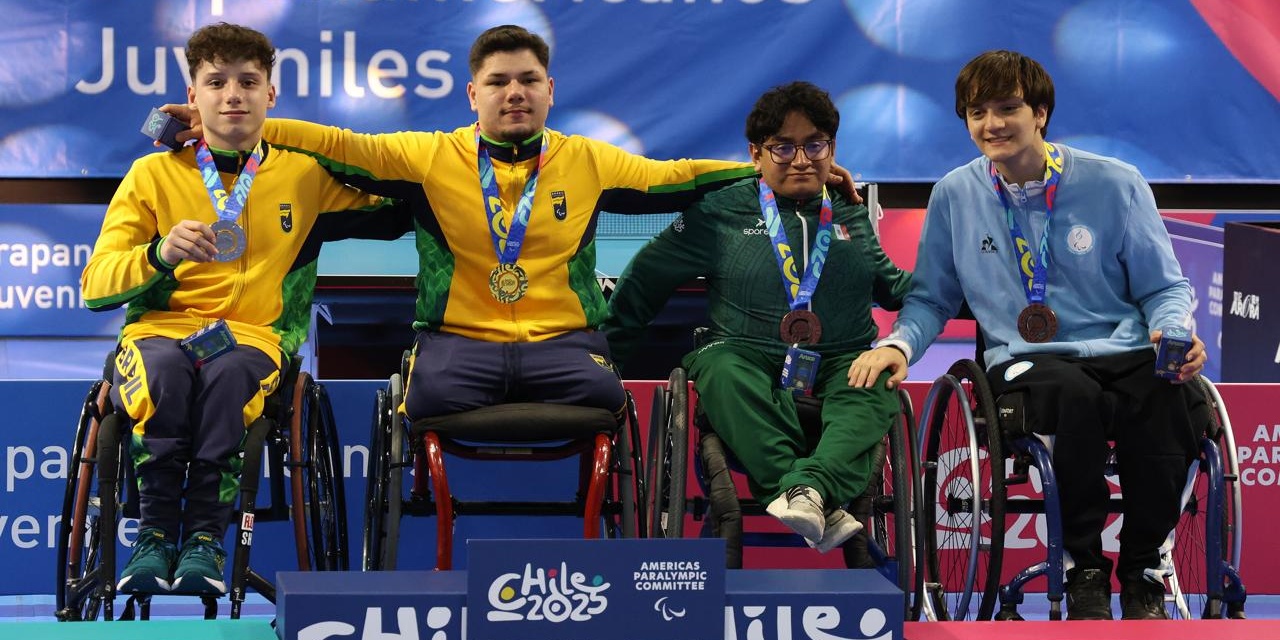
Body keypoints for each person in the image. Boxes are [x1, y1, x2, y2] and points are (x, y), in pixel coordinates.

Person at [165, 24, 855, 425]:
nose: (515, 92)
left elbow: (676, 176)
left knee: (607, 396)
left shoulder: (588, 159)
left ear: (550, 90)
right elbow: (342, 145)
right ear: (473, 94)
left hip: (564, 345)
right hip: (457, 347)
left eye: (528, 80)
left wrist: (783, 169)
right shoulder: (429, 157)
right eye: (498, 82)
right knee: (425, 398)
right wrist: (244, 124)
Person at [848, 50, 1207, 620]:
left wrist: (1173, 332)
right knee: (1071, 394)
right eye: (977, 112)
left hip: (1124, 348)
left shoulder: (1116, 183)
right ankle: (1083, 566)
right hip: (1025, 359)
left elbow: (1164, 287)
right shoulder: (954, 194)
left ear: (1040, 113)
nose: (992, 124)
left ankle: (1144, 568)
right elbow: (931, 298)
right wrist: (899, 345)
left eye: (1007, 108)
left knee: (1172, 394)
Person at [81, 23, 409, 596]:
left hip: (254, 337)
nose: (233, 95)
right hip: (159, 333)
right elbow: (94, 287)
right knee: (164, 373)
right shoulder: (151, 174)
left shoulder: (305, 174)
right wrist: (158, 254)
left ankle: (205, 539)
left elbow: (401, 190)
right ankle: (154, 535)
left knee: (230, 372)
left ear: (271, 95)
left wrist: (286, 137)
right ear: (193, 97)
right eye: (216, 83)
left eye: (248, 82)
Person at [604, 81, 911, 554]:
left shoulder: (848, 209)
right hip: (746, 354)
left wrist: (963, 285)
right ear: (756, 153)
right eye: (783, 147)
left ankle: (805, 490)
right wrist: (609, 359)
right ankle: (809, 492)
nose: (801, 160)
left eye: (815, 145)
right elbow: (645, 278)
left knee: (874, 382)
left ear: (832, 148)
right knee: (721, 369)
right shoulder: (721, 211)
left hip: (840, 359)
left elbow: (891, 286)